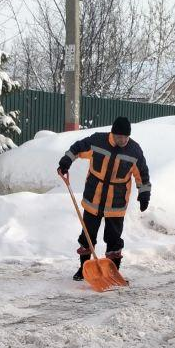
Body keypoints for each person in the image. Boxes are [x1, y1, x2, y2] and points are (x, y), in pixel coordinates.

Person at [57, 117, 151, 281]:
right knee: (87, 235)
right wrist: (66, 161)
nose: (122, 140)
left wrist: (144, 194)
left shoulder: (134, 151)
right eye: (118, 136)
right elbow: (77, 148)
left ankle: (113, 271)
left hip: (117, 201)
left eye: (125, 137)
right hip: (94, 196)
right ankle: (84, 268)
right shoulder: (98, 141)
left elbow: (142, 174)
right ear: (112, 133)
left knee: (114, 239)